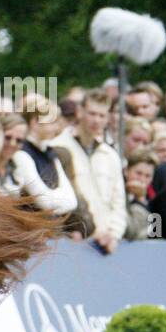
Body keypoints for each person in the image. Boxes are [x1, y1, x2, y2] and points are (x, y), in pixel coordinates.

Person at [50, 90, 125, 253]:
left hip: (107, 243)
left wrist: (114, 234)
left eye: (101, 115)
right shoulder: (57, 148)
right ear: (80, 112)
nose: (96, 120)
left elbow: (118, 201)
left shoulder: (110, 155)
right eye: (92, 113)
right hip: (73, 240)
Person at [0, 112, 78, 217]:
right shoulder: (21, 156)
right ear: (35, 122)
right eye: (8, 137)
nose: (12, 144)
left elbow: (73, 201)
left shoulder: (50, 153)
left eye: (19, 140)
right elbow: (45, 202)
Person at [124, 153, 156, 241]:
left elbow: (155, 233)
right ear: (126, 171)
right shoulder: (117, 194)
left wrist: (141, 199)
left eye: (147, 176)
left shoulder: (153, 199)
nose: (142, 179)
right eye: (138, 173)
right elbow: (130, 232)